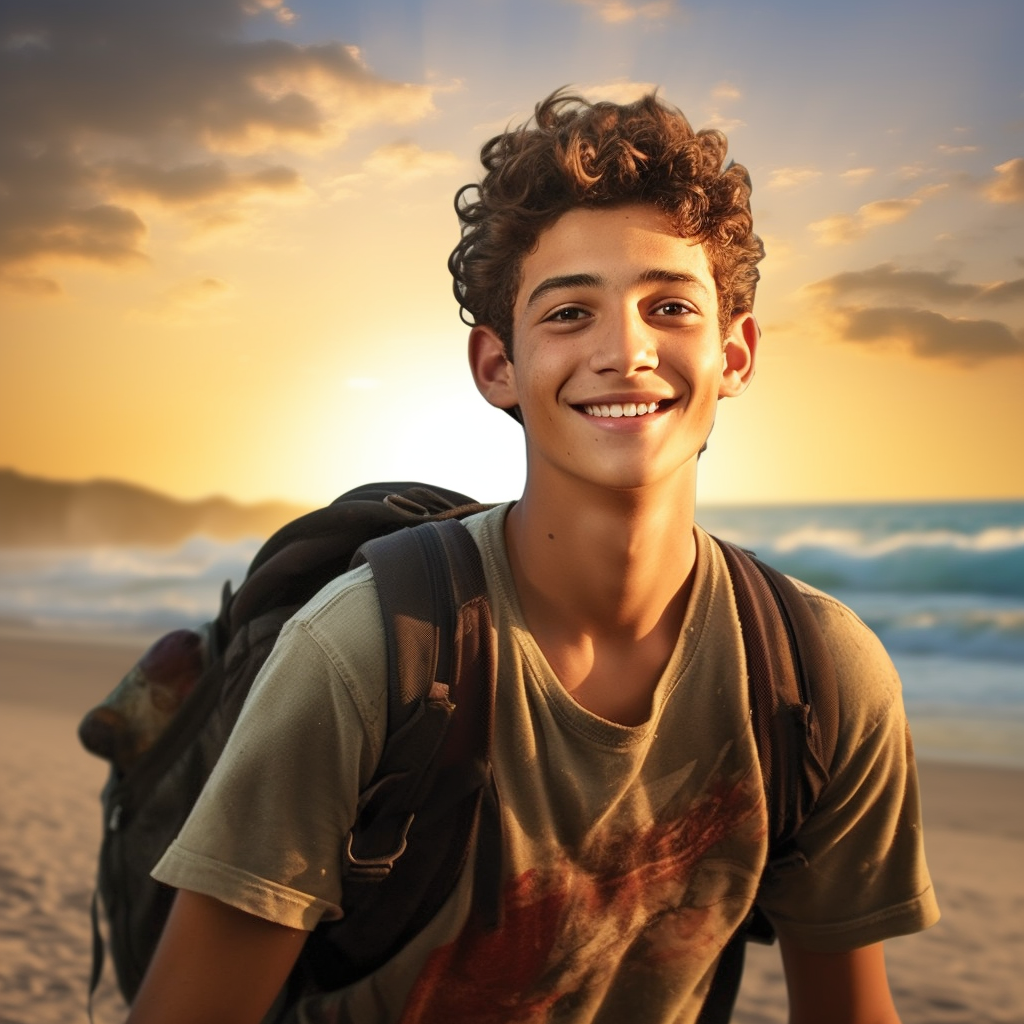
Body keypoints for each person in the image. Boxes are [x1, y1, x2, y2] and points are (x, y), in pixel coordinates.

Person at [127, 90, 939, 1024]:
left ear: (737, 352)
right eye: (567, 314)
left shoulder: (820, 677)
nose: (626, 351)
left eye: (670, 305)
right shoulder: (363, 655)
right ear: (496, 365)